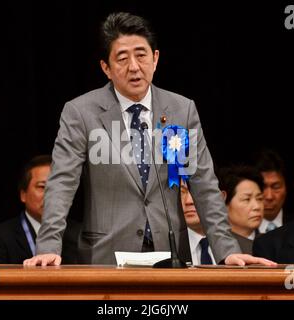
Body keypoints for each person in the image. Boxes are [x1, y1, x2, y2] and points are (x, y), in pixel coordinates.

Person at [24, 12, 275, 267]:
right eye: (122, 58)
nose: (134, 66)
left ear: (155, 59)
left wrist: (227, 250)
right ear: (106, 68)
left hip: (170, 254)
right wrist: (47, 246)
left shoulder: (181, 109)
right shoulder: (81, 112)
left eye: (141, 55)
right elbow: (62, 182)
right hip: (106, 255)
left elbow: (203, 183)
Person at [0, 155, 79, 264]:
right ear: (23, 195)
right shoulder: (0, 236)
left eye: (55, 189)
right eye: (42, 187)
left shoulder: (78, 234)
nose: (50, 195)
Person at [218, 165, 265, 254]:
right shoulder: (216, 246)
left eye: (259, 199)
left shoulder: (272, 243)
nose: (257, 207)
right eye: (246, 199)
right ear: (224, 203)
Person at [252, 148, 293, 232]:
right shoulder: (239, 229)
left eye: (276, 187)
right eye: (262, 187)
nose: (269, 196)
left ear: (286, 188)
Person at [180, 181, 215, 265]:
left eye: (199, 192)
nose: (189, 201)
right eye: (181, 192)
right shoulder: (168, 249)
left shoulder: (234, 245)